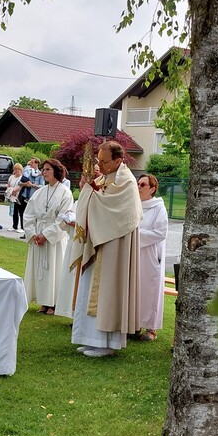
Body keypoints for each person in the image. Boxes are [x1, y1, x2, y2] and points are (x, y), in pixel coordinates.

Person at [71, 141, 142, 357]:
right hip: (98, 240)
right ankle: (90, 339)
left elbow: (114, 210)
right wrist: (88, 187)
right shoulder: (104, 177)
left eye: (104, 161)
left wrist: (90, 191)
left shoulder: (126, 181)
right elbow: (93, 200)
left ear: (118, 160)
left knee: (109, 290)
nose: (99, 165)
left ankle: (107, 343)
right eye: (98, 160)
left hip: (114, 246)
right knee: (90, 288)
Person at [23, 158, 74, 314]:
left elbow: (63, 218)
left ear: (56, 171)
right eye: (43, 170)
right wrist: (33, 234)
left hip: (54, 238)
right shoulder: (40, 192)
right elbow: (29, 215)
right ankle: (43, 302)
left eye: (47, 169)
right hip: (38, 233)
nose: (44, 172)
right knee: (40, 269)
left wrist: (46, 235)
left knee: (53, 268)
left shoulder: (65, 192)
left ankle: (53, 303)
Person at [137, 173, 168, 341]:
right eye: (138, 184)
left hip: (151, 255)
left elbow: (160, 233)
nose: (138, 187)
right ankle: (135, 324)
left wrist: (136, 234)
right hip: (135, 254)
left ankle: (151, 327)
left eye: (143, 185)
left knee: (150, 290)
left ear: (152, 189)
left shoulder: (158, 208)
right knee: (135, 289)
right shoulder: (134, 205)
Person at [15, 157, 45, 236]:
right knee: (23, 214)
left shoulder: (40, 174)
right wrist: (25, 184)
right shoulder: (27, 171)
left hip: (33, 197)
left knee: (32, 216)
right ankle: (25, 231)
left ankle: (33, 232)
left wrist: (32, 185)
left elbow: (42, 186)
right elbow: (19, 183)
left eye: (32, 162)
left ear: (36, 163)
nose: (30, 164)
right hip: (24, 196)